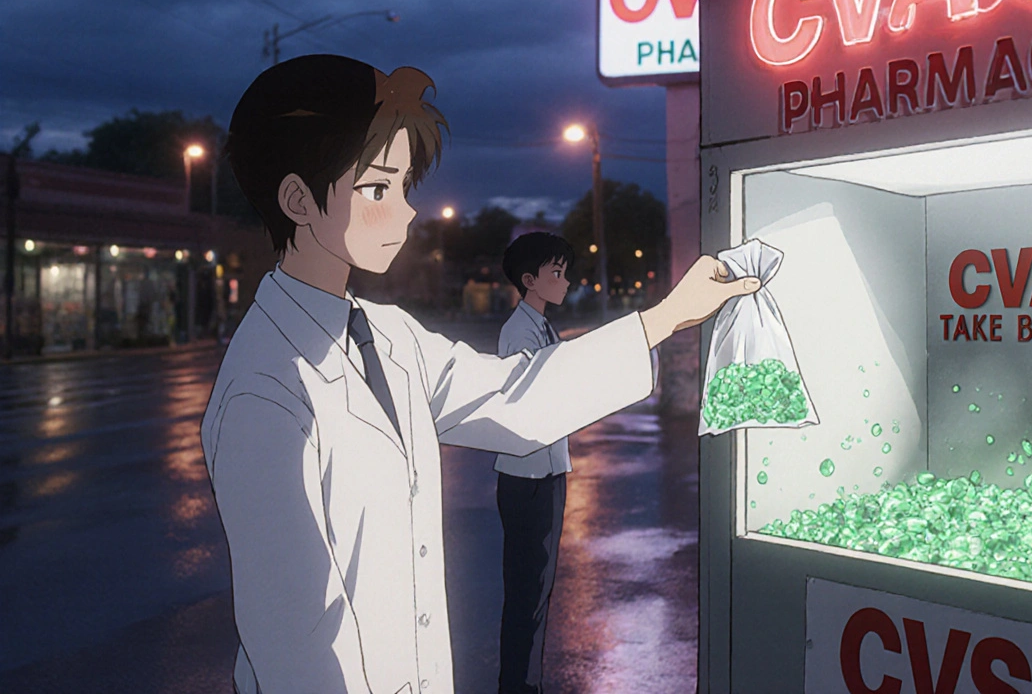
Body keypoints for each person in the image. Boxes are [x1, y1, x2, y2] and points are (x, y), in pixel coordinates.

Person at [199, 53, 761, 694]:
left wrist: (667, 317)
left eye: (407, 185)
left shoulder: (389, 334)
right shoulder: (263, 390)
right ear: (297, 199)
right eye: (379, 188)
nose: (407, 212)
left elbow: (513, 398)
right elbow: (296, 645)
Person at [493, 232, 573, 694]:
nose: (566, 281)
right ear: (530, 280)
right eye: (556, 273)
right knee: (526, 592)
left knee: (537, 590)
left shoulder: (542, 325)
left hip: (545, 471)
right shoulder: (519, 332)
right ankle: (517, 685)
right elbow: (525, 397)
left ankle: (526, 683)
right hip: (527, 477)